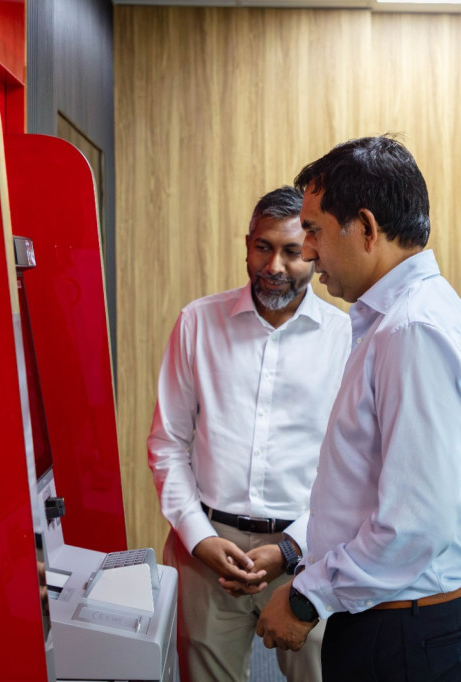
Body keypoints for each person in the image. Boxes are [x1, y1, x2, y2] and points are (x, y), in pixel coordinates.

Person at [255, 135, 461, 681]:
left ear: (367, 228)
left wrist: (306, 598)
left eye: (314, 230)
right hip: (392, 614)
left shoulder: (411, 330)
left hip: (404, 628)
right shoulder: (398, 320)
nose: (308, 251)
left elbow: (414, 524)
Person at [147, 186, 350, 682]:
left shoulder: (346, 337)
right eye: (263, 247)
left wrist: (290, 548)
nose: (274, 266)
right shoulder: (197, 323)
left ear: (314, 251)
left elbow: (353, 466)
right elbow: (168, 444)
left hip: (310, 551)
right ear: (247, 244)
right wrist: (198, 537)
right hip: (206, 550)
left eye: (292, 251)